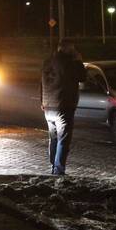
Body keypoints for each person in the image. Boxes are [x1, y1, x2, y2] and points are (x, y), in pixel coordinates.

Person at [41, 39, 86, 175]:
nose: (74, 51)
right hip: (63, 106)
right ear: (67, 49)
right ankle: (58, 171)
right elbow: (82, 76)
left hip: (48, 106)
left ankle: (53, 166)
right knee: (63, 139)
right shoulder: (68, 63)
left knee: (54, 138)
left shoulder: (47, 62)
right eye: (72, 48)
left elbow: (41, 84)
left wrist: (42, 102)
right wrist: (79, 61)